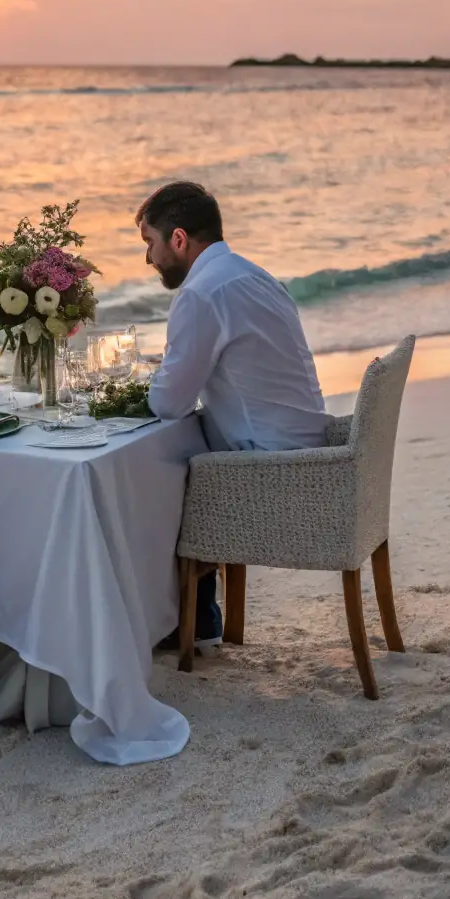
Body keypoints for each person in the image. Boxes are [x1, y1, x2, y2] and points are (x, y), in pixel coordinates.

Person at [137, 181, 327, 647]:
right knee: (177, 449)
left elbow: (168, 403)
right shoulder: (254, 276)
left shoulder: (200, 295)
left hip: (273, 464)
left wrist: (155, 377)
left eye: (150, 243)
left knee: (150, 471)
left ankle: (183, 621)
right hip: (310, 449)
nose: (148, 259)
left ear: (178, 239)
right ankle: (197, 616)